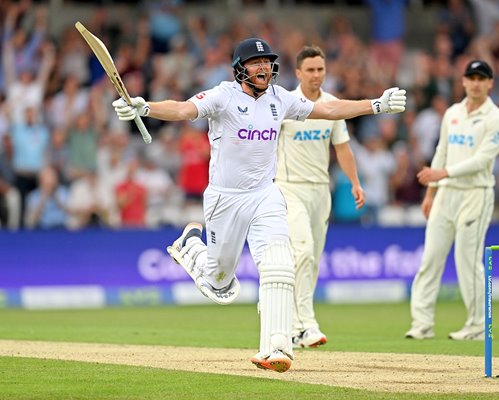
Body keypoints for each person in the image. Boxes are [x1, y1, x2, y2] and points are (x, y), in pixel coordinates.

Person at [112, 37, 406, 372]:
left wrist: (376, 105)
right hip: (225, 198)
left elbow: (329, 109)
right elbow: (182, 109)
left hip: (266, 194)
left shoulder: (280, 99)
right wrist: (145, 107)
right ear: (240, 69)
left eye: (267, 61)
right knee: (219, 283)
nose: (265, 67)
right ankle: (192, 245)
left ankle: (276, 348)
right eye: (257, 62)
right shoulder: (223, 95)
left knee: (280, 264)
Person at [404, 60, 499, 340]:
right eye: (471, 77)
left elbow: (482, 160)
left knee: (467, 259)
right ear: (463, 81)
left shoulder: (496, 119)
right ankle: (422, 323)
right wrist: (431, 191)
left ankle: (477, 325)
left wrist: (443, 173)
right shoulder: (452, 113)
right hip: (446, 193)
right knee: (431, 257)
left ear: (490, 83)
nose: (475, 83)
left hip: (476, 193)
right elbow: (441, 151)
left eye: (481, 78)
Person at [275, 45, 365, 349]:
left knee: (312, 261)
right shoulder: (286, 103)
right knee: (303, 252)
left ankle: (294, 326)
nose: (317, 75)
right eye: (310, 70)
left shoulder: (332, 106)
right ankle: (305, 324)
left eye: (321, 69)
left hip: (320, 191)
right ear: (298, 73)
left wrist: (354, 182)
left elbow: (342, 147)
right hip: (289, 187)